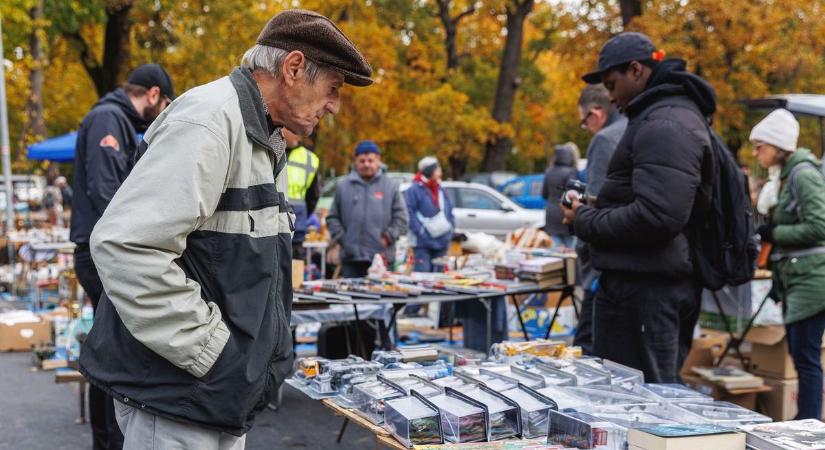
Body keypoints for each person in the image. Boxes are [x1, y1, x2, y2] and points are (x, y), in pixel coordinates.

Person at [79, 10, 373, 449]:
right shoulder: (209, 122)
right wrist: (213, 352)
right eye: (332, 88)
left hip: (208, 394)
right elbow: (125, 245)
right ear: (293, 69)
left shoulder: (260, 134)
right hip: (178, 394)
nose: (334, 104)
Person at [562, 32, 714, 383]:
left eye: (612, 83)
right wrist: (597, 205)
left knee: (643, 408)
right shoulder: (660, 117)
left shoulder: (664, 122)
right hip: (646, 289)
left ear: (636, 70)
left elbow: (657, 217)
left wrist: (584, 218)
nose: (611, 95)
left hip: (649, 295)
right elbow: (657, 203)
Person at [71, 62, 175, 450]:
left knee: (112, 349)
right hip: (103, 256)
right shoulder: (107, 119)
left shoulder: (111, 118)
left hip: (101, 253)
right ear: (152, 95)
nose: (162, 113)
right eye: (164, 104)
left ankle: (109, 441)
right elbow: (107, 191)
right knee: (115, 354)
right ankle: (110, 442)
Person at [751, 109, 825, 420]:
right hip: (798, 278)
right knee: (800, 355)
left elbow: (820, 226)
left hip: (811, 280)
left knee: (805, 358)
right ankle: (805, 421)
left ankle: (807, 424)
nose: (755, 153)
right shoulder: (782, 176)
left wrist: (775, 233)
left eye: (760, 146)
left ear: (778, 145)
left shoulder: (802, 175)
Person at [573, 84, 628, 354]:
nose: (587, 129)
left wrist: (577, 214)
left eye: (585, 123)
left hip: (605, 266)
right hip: (636, 266)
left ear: (596, 113)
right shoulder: (639, 127)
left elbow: (597, 204)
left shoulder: (605, 140)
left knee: (587, 352)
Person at [327, 140, 408, 277]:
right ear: (355, 162)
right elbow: (332, 218)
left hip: (382, 258)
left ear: (378, 161)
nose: (366, 164)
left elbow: (401, 219)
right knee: (353, 297)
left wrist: (387, 237)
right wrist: (345, 239)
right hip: (351, 258)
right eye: (362, 160)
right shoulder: (343, 186)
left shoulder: (390, 186)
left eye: (370, 160)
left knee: (382, 297)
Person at [284, 127, 320, 259]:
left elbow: (313, 196)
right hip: (269, 226)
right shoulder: (271, 149)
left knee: (294, 271)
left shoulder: (310, 159)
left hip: (296, 229)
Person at [541, 142, 579, 249]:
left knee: (554, 245)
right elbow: (572, 194)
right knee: (571, 245)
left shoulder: (549, 171)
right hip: (566, 212)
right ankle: (572, 265)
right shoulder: (571, 172)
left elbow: (544, 194)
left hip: (551, 212)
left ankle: (554, 265)